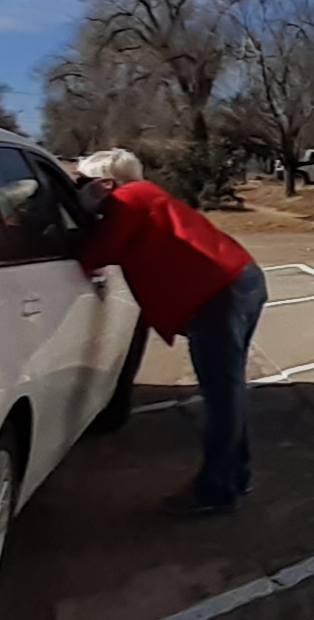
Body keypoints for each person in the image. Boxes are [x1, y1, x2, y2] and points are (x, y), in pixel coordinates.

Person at [76, 149, 266, 515]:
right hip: (238, 280)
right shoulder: (146, 195)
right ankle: (234, 475)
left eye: (84, 182)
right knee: (227, 390)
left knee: (221, 394)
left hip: (215, 293)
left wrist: (82, 218)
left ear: (105, 184)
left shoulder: (127, 201)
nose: (80, 189)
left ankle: (216, 489)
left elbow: (97, 253)